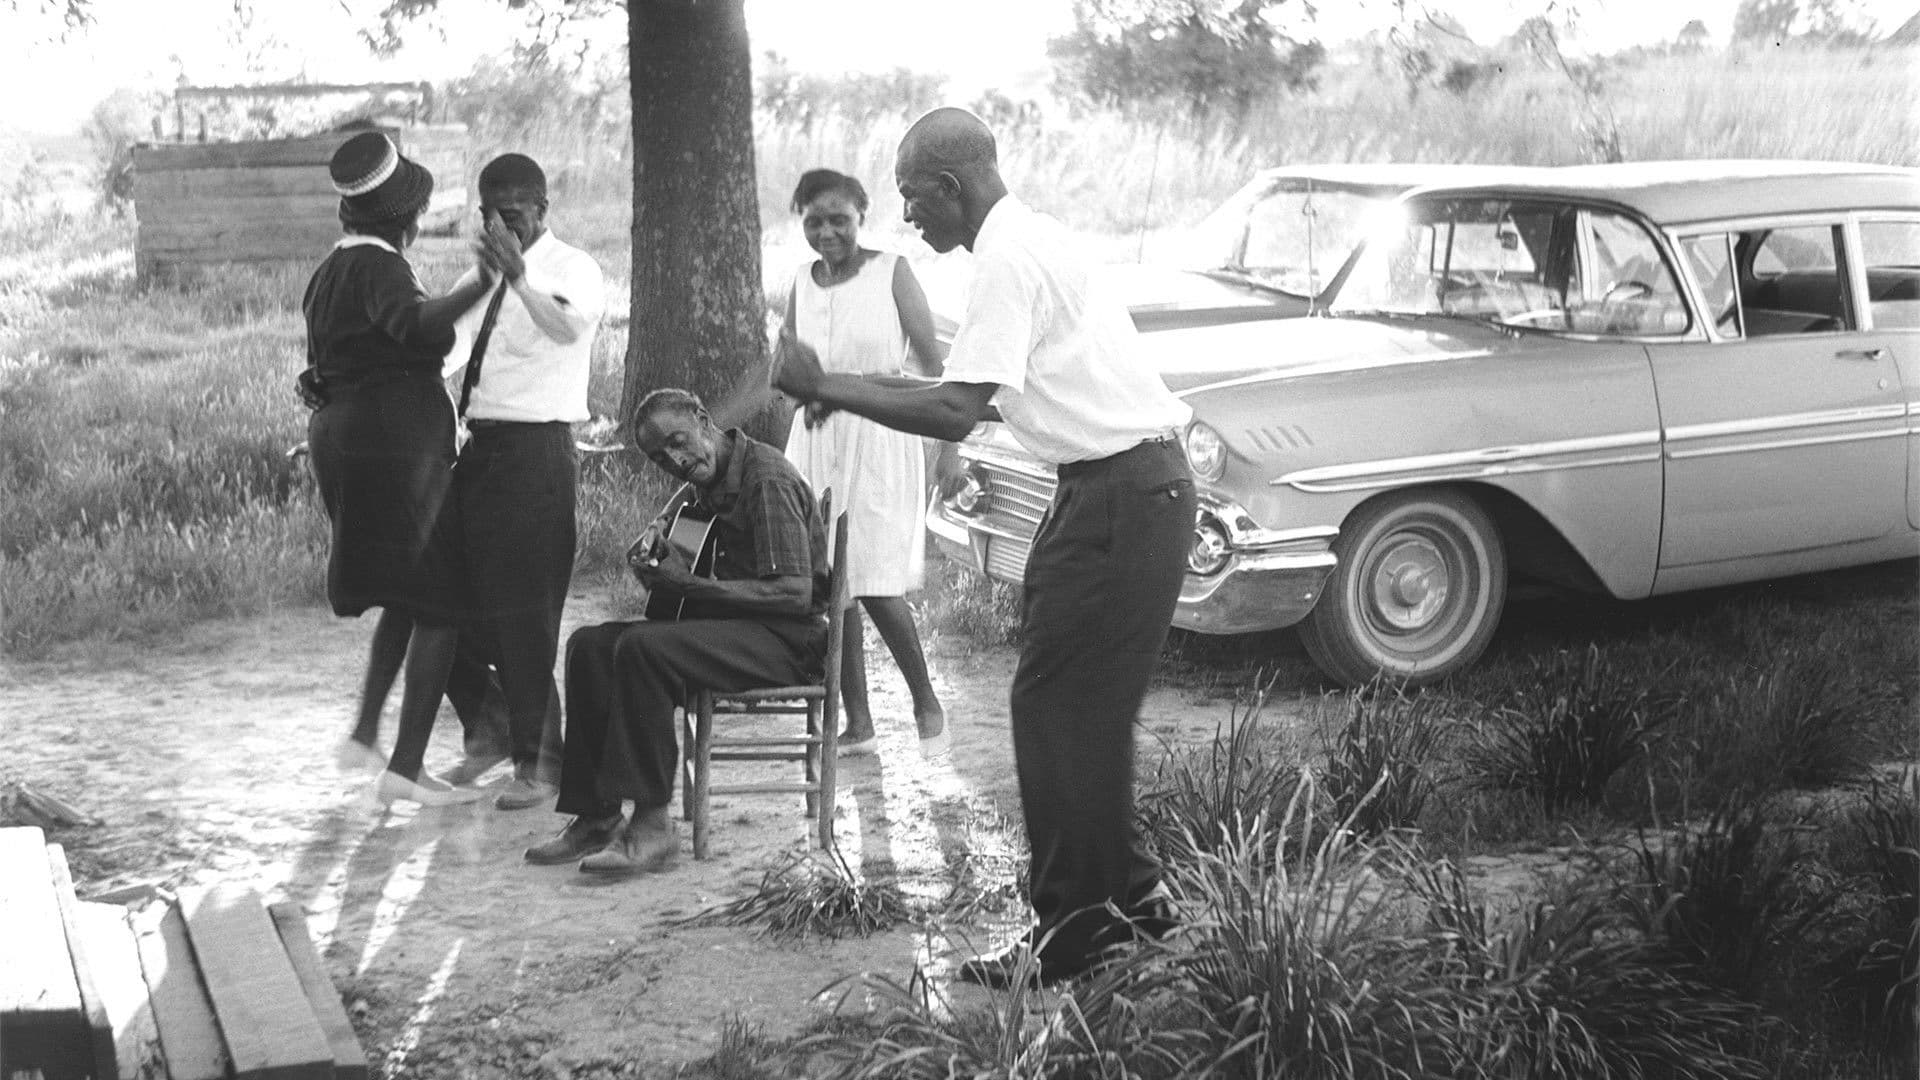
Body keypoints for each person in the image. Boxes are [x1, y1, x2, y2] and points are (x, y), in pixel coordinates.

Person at [773, 107, 1195, 987]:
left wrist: (833, 388)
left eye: (912, 196)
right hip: (1121, 491)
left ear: (950, 185)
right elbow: (978, 388)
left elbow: (956, 410)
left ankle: (1074, 933)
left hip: (1120, 497)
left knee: (1054, 711)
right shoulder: (1032, 237)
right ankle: (1137, 900)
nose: (906, 215)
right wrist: (844, 385)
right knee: (1080, 711)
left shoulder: (1006, 260)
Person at [524, 389, 829, 874]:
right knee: (589, 646)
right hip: (735, 631)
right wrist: (649, 560)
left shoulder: (765, 480)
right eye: (659, 457)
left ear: (704, 421)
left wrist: (691, 586)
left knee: (644, 648)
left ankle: (652, 828)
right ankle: (597, 816)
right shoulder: (700, 489)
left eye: (678, 442)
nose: (675, 461)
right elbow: (673, 553)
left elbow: (794, 595)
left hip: (788, 642)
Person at [716, 167, 948, 760]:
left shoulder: (893, 271)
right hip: (817, 439)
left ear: (861, 215)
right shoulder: (802, 280)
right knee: (830, 582)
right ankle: (858, 722)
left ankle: (925, 701)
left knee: (874, 579)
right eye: (814, 221)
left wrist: (950, 447)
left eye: (839, 220)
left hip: (881, 432)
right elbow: (780, 369)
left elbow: (934, 366)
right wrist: (714, 423)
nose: (827, 233)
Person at [300, 130, 497, 806]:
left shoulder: (331, 271)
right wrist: (483, 282)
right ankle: (406, 769)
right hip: (392, 447)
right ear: (404, 220)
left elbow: (333, 360)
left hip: (346, 438)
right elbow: (419, 328)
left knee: (406, 592)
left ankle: (365, 735)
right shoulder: (381, 267)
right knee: (440, 599)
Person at [434, 153, 607, 811]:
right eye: (490, 216)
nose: (501, 228)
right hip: (477, 452)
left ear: (541, 209)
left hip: (537, 454)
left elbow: (565, 329)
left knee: (525, 615)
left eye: (513, 215)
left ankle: (542, 764)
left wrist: (519, 277)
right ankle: (490, 729)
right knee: (433, 600)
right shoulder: (476, 278)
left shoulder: (573, 269)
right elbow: (442, 356)